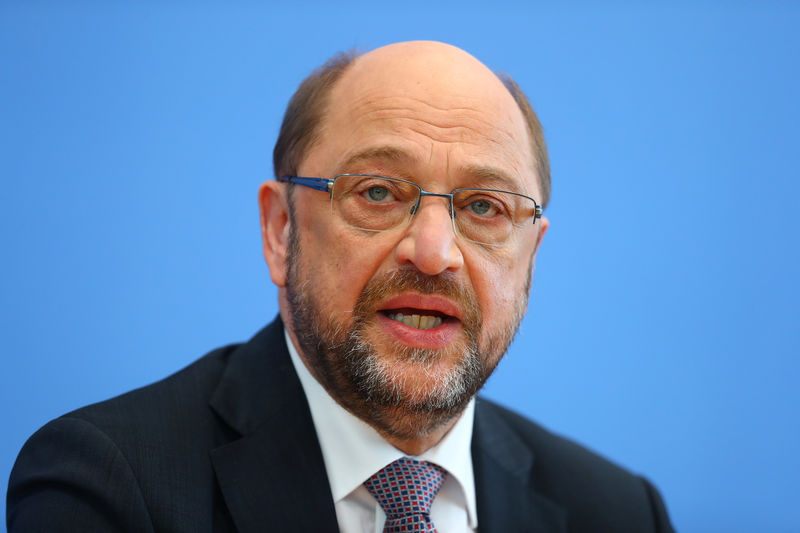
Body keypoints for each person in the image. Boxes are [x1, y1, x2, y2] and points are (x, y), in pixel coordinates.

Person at [7, 41, 675, 532]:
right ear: (280, 229)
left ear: (530, 258)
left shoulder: (616, 511)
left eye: (483, 208)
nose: (435, 253)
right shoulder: (109, 486)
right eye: (379, 192)